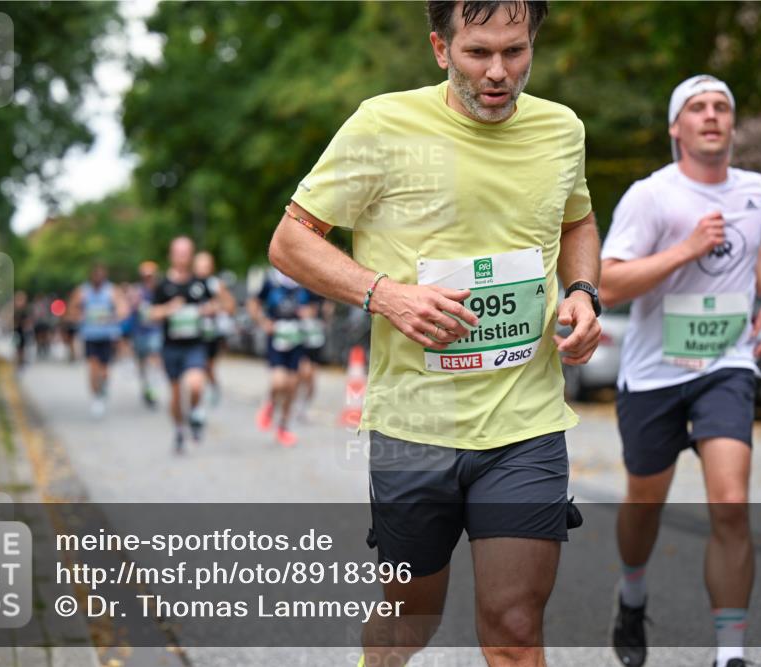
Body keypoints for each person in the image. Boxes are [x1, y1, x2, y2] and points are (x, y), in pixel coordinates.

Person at [267, 2, 602, 665]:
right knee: (407, 623)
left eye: (516, 51)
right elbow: (290, 241)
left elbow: (577, 221)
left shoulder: (561, 130)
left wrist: (586, 293)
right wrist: (385, 294)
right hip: (414, 426)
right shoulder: (383, 126)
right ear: (440, 49)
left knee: (513, 624)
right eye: (478, 53)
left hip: (524, 424)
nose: (499, 73)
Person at [600, 75, 761, 667]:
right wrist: (684, 249)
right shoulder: (650, 197)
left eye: (722, 107)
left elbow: (751, 240)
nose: (711, 116)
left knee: (730, 504)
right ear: (676, 129)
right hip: (655, 375)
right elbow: (606, 282)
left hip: (725, 365)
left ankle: (730, 654)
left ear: (732, 125)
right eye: (698, 108)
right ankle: (632, 595)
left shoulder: (756, 189)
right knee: (644, 507)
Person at [148, 237, 221, 452]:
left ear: (191, 255)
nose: (182, 256)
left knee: (196, 384)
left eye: (186, 252)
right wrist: (168, 309)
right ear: (171, 255)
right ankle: (180, 428)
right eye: (178, 252)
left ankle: (196, 412)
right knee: (176, 394)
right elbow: (151, 313)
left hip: (195, 344)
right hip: (171, 346)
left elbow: (219, 304)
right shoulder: (163, 284)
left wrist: (210, 308)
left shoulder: (199, 283)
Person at [247, 268, 311, 448]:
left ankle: (283, 426)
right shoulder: (271, 280)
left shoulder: (304, 278)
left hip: (297, 339)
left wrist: (309, 312)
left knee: (291, 386)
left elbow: (316, 305)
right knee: (278, 382)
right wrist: (262, 321)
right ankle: (270, 404)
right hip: (276, 340)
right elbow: (253, 304)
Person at [69, 264, 128, 418]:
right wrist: (79, 315)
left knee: (105, 371)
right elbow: (71, 310)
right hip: (90, 336)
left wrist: (113, 317)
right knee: (93, 368)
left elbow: (123, 310)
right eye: (96, 275)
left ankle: (103, 388)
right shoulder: (83, 292)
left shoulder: (111, 291)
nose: (98, 278)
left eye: (101, 276)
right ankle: (96, 397)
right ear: (91, 277)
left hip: (107, 336)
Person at [193, 250, 236, 407]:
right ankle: (198, 393)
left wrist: (215, 307)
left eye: (206, 265)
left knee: (207, 365)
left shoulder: (216, 284)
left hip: (211, 333)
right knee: (197, 364)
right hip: (194, 332)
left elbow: (230, 307)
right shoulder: (190, 283)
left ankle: (212, 386)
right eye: (199, 264)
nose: (202, 268)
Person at [295, 289, 332, 421]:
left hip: (316, 340)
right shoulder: (301, 291)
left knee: (312, 377)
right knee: (303, 372)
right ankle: (296, 401)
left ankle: (304, 406)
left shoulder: (322, 295)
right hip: (303, 338)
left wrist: (326, 312)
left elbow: (328, 313)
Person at [131, 261, 163, 407]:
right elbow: (130, 311)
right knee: (142, 363)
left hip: (155, 331)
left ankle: (153, 388)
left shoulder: (160, 290)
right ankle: (146, 386)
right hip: (140, 332)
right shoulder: (138, 291)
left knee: (154, 358)